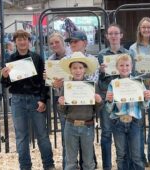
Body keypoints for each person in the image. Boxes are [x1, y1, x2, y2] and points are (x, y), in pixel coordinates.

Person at [0, 29, 55, 170]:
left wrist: (43, 99)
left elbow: (44, 82)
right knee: (21, 136)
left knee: (42, 134)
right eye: (19, 39)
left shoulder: (37, 58)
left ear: (29, 41)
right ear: (15, 42)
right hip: (17, 100)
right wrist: (4, 76)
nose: (22, 42)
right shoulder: (10, 59)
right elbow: (6, 84)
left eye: (25, 39)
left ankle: (48, 165)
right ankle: (25, 166)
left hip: (35, 99)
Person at [58, 52, 103, 170]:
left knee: (88, 162)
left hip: (87, 126)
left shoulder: (92, 86)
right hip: (70, 125)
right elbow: (62, 110)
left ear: (85, 69)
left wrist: (98, 101)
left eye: (80, 68)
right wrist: (61, 103)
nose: (77, 71)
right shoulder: (66, 86)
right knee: (70, 161)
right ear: (70, 70)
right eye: (74, 68)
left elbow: (97, 108)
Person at [97, 24, 133, 170]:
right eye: (110, 33)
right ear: (106, 36)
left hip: (124, 99)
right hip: (109, 97)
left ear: (121, 35)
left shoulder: (127, 53)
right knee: (106, 133)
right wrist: (100, 72)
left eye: (116, 33)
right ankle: (107, 166)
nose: (113, 36)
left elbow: (132, 75)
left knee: (126, 131)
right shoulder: (101, 55)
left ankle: (126, 165)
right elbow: (99, 81)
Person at [105, 54, 150, 170]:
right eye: (121, 65)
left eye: (127, 65)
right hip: (118, 123)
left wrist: (146, 98)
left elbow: (145, 105)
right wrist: (109, 101)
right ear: (117, 67)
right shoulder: (113, 84)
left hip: (134, 122)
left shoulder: (138, 83)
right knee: (121, 155)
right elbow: (108, 109)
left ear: (131, 66)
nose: (124, 68)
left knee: (136, 155)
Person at [64, 30, 98, 169]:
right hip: (71, 115)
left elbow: (92, 84)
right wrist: (57, 85)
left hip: (86, 116)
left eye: (75, 41)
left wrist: (98, 100)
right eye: (71, 42)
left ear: (85, 42)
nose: (72, 44)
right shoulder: (66, 60)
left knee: (87, 154)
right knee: (70, 153)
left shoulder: (93, 60)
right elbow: (62, 89)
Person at [129, 17, 150, 166]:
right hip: (139, 88)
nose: (146, 30)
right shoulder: (133, 48)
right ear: (139, 30)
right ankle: (140, 157)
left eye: (148, 27)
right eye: (143, 27)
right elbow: (131, 70)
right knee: (139, 124)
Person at [47, 32, 71, 169]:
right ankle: (66, 164)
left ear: (63, 42)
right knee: (65, 130)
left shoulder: (72, 56)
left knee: (81, 130)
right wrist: (49, 80)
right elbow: (51, 83)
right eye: (51, 43)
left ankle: (86, 163)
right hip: (60, 98)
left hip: (75, 96)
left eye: (57, 42)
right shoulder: (50, 59)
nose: (54, 45)